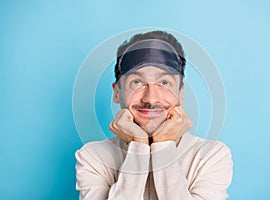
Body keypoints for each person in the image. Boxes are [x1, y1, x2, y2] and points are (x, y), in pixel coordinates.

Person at [75, 31, 233, 200]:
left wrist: (163, 145)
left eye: (164, 83)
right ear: (116, 93)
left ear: (181, 94)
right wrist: (138, 145)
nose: (151, 98)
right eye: (137, 82)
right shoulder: (93, 157)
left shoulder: (210, 156)